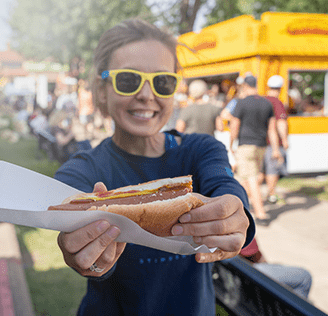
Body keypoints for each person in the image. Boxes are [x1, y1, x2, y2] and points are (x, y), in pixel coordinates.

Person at [53, 18, 254, 315]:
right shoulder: (82, 170)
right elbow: (75, 241)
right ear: (103, 90)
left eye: (162, 82)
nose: (147, 95)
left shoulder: (200, 150)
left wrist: (236, 215)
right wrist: (92, 258)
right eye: (128, 80)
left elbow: (225, 187)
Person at [229, 75, 281, 226]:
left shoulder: (241, 103)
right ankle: (246, 206)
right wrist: (276, 149)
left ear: (245, 85)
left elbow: (234, 126)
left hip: (246, 145)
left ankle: (261, 214)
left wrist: (231, 144)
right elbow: (272, 129)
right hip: (261, 145)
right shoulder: (266, 103)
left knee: (251, 178)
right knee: (248, 177)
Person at [240, 237, 312, 299]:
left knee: (277, 268)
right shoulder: (240, 223)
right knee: (304, 277)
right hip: (245, 277)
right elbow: (253, 254)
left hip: (233, 276)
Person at [260, 75, 289, 204]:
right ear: (281, 88)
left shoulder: (262, 100)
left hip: (260, 141)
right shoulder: (277, 102)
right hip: (273, 143)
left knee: (261, 170)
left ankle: (253, 195)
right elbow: (281, 123)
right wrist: (284, 139)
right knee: (273, 169)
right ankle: (271, 195)